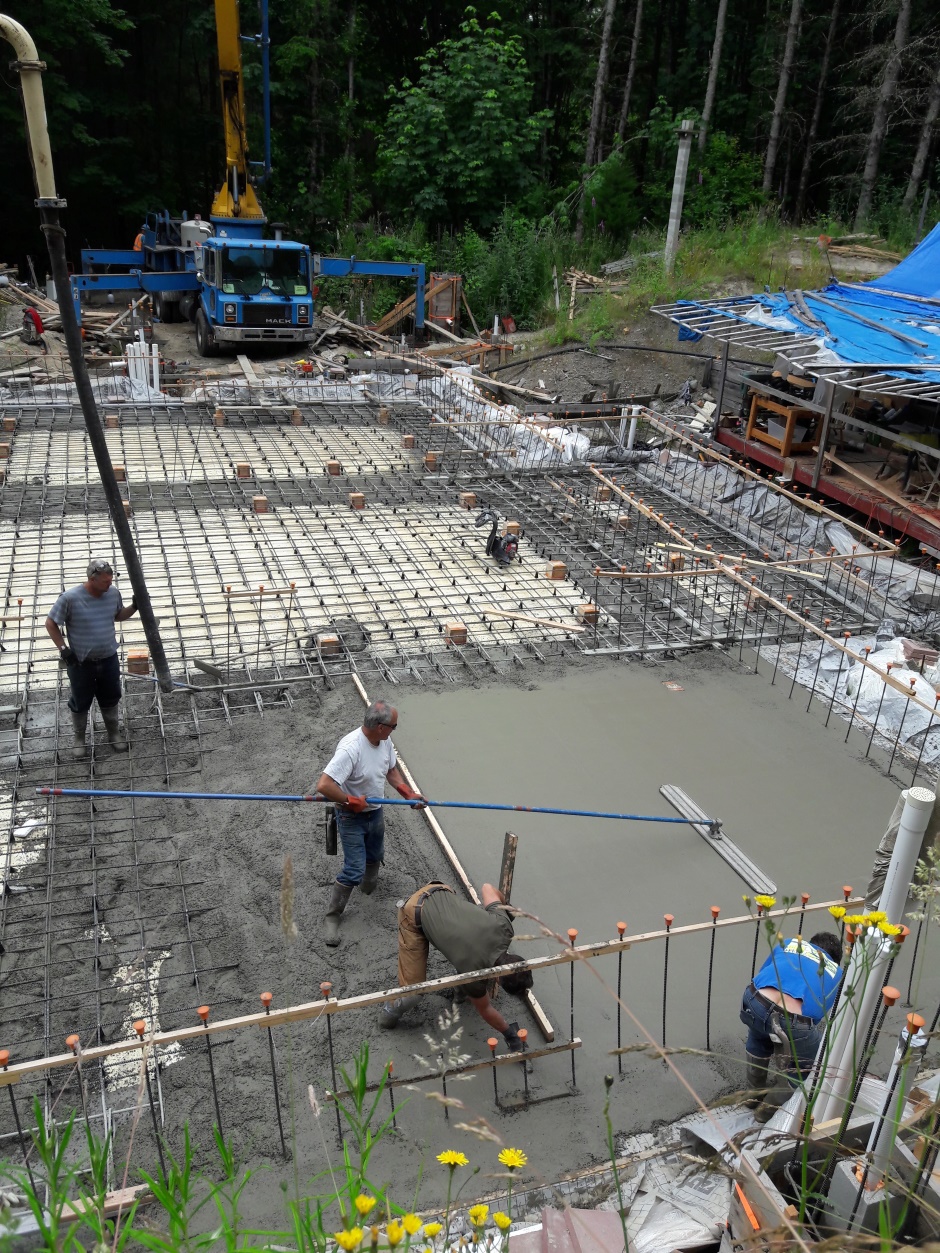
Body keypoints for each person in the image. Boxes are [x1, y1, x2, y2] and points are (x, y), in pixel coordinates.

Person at [314, 700, 424, 946]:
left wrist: (408, 794)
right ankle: (332, 917)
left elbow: (391, 770)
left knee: (375, 855)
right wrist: (349, 800)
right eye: (394, 726)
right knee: (354, 868)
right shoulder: (351, 748)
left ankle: (368, 888)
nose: (395, 729)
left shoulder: (384, 741)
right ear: (381, 726)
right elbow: (324, 785)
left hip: (375, 812)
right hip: (351, 817)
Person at [380, 881, 533, 1052]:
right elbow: (485, 1009)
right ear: (497, 979)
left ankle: (461, 996)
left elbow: (487, 888)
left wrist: (506, 908)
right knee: (413, 993)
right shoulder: (474, 974)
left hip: (440, 889)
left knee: (469, 958)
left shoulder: (504, 927)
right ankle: (387, 1017)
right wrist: (509, 1034)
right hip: (412, 914)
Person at [741, 931, 843, 1122]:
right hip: (793, 1020)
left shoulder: (788, 943)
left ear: (810, 943)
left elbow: (765, 971)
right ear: (835, 960)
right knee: (807, 1066)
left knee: (758, 1036)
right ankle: (765, 1111)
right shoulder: (838, 973)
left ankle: (752, 1096)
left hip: (755, 999)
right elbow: (817, 1013)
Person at [45, 559, 139, 759]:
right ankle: (79, 738)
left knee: (111, 696)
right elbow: (51, 623)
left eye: (111, 580)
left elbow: (117, 615)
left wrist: (134, 607)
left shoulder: (112, 593)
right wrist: (63, 649)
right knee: (80, 700)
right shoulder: (70, 598)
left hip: (108, 658)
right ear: (92, 579)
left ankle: (113, 733)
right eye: (105, 581)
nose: (110, 584)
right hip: (80, 662)